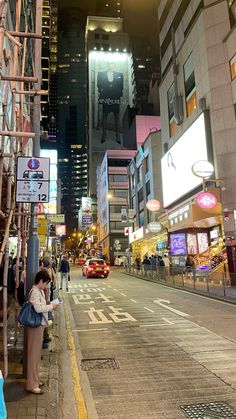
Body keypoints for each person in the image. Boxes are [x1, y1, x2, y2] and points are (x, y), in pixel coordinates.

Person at [26, 269, 59, 394]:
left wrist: (50, 302)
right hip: (35, 327)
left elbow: (41, 306)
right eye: (45, 283)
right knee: (33, 356)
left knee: (36, 356)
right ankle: (32, 385)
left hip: (38, 326)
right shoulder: (35, 292)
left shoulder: (38, 290)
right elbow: (38, 308)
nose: (46, 286)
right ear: (40, 281)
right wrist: (51, 306)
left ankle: (35, 380)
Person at [97, 61, 124, 144]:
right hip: (106, 96)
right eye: (108, 63)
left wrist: (117, 94)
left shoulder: (119, 74)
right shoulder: (101, 74)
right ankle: (104, 134)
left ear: (114, 65)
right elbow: (98, 85)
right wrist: (103, 91)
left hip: (115, 96)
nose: (110, 65)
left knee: (116, 116)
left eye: (112, 63)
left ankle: (118, 135)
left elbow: (121, 86)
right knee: (104, 114)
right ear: (107, 65)